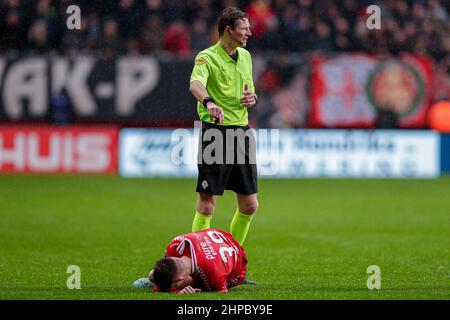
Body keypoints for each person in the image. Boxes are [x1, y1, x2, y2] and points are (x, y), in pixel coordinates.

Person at [189, 7, 259, 247]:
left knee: (250, 205)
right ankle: (197, 262)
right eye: (244, 28)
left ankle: (232, 264)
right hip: (215, 133)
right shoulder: (206, 57)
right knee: (208, 204)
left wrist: (253, 99)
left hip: (241, 132)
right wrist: (208, 102)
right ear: (228, 30)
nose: (249, 32)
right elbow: (195, 84)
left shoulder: (246, 56)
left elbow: (249, 91)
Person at [134, 228, 249, 293]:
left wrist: (179, 292)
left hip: (238, 265)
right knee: (153, 275)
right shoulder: (175, 245)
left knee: (199, 285)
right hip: (217, 237)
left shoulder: (214, 276)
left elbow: (222, 292)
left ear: (180, 280)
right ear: (171, 258)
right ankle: (158, 280)